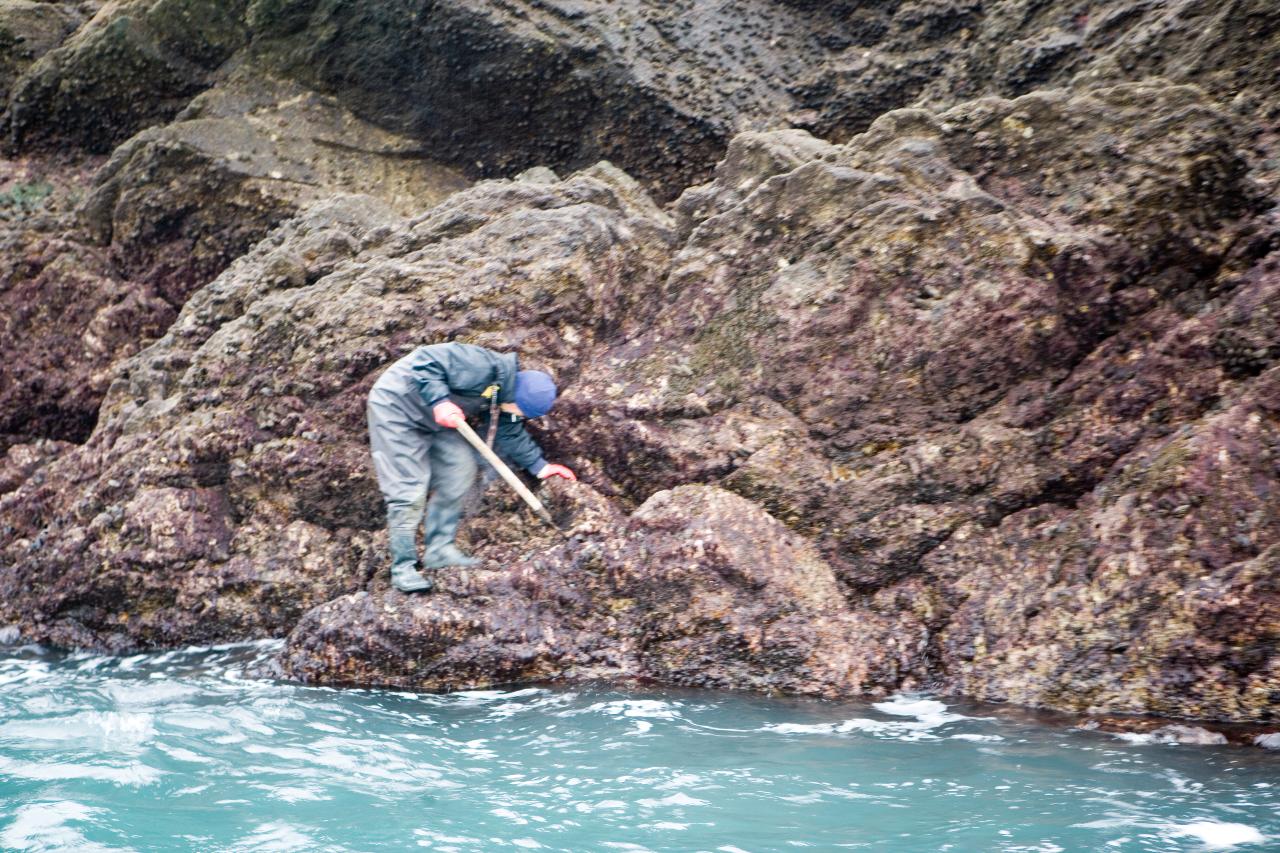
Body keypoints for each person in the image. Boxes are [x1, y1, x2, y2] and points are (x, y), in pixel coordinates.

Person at [366, 342, 576, 593]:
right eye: (521, 412)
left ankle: (439, 550)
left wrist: (540, 467)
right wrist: (440, 400)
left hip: (433, 418)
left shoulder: (504, 395)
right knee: (409, 489)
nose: (519, 416)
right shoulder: (481, 365)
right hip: (396, 406)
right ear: (518, 399)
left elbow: (509, 432)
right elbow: (425, 360)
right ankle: (403, 569)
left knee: (461, 468)